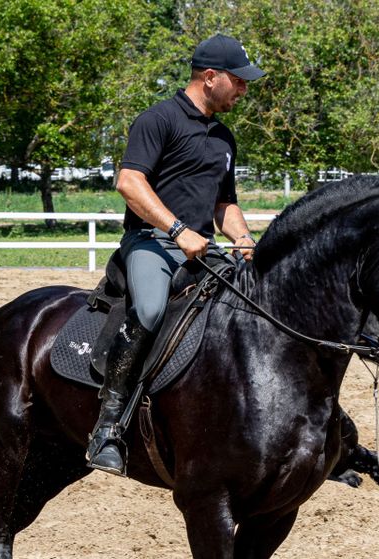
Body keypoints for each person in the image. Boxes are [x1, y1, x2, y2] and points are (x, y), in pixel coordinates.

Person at [85, 34, 266, 475]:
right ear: (210, 77)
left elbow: (225, 203)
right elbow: (129, 183)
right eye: (238, 82)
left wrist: (243, 238)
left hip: (202, 247)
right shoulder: (158, 119)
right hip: (152, 243)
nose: (244, 90)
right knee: (148, 310)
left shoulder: (224, 137)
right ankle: (107, 426)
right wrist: (177, 229)